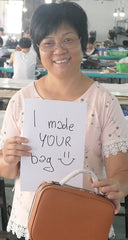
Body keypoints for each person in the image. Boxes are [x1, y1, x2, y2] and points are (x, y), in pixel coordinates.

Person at [0, 2, 128, 240]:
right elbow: (8, 171)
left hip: (84, 219)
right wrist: (8, 157)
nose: (58, 49)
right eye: (48, 42)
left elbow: (120, 170)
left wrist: (119, 185)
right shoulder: (21, 101)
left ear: (82, 42)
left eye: (68, 39)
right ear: (39, 49)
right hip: (31, 220)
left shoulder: (104, 102)